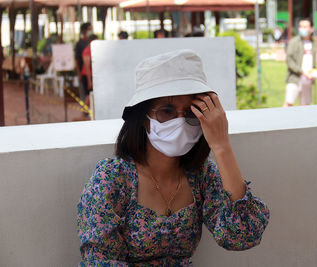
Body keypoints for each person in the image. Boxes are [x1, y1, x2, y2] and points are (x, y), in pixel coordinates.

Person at [77, 49, 270, 266]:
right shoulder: (112, 178)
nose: (179, 122)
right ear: (144, 118)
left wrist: (221, 145)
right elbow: (99, 260)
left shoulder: (200, 175)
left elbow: (243, 235)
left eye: (190, 113)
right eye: (166, 111)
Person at [283, 17, 317, 107]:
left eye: (305, 26)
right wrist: (302, 71)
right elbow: (289, 60)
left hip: (308, 80)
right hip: (295, 78)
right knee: (289, 103)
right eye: (301, 26)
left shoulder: (314, 43)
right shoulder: (294, 42)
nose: (302, 29)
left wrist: (313, 72)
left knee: (305, 105)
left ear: (312, 28)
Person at [75, 22, 93, 100]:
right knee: (85, 95)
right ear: (85, 30)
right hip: (84, 74)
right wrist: (79, 73)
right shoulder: (80, 43)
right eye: (89, 29)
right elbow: (77, 59)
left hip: (93, 73)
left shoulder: (92, 41)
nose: (91, 30)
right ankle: (84, 111)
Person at [81, 34, 98, 104]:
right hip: (87, 76)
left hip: (92, 76)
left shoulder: (94, 50)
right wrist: (89, 81)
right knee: (89, 95)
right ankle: (84, 111)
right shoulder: (87, 51)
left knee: (92, 95)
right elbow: (87, 67)